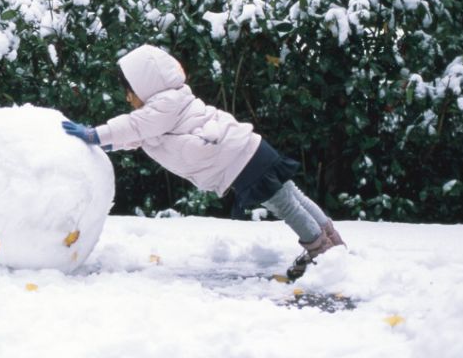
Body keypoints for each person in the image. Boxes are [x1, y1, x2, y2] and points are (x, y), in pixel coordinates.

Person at [61, 44, 345, 279]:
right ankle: (334, 246)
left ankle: (322, 254)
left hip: (242, 160)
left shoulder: (163, 106)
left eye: (130, 90)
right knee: (293, 195)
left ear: (146, 85)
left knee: (284, 203)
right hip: (248, 150)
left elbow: (134, 127)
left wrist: (95, 134)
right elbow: (137, 136)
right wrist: (103, 141)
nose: (127, 97)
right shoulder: (167, 107)